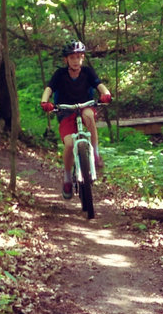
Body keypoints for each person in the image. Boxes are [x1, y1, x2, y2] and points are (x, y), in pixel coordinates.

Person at [40, 39, 111, 199]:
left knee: (88, 115)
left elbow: (99, 85)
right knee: (70, 144)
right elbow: (49, 88)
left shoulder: (87, 72)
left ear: (83, 58)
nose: (76, 61)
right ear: (66, 60)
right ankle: (66, 177)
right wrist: (45, 102)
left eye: (79, 57)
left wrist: (105, 94)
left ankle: (95, 154)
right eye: (72, 57)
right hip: (65, 111)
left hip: (85, 106)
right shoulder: (60, 74)